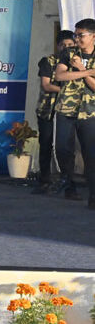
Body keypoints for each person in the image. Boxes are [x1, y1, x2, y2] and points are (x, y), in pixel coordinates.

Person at [53, 18, 95, 208]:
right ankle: (69, 185)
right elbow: (60, 75)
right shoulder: (69, 53)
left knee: (91, 154)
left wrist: (80, 68)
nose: (76, 39)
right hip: (66, 110)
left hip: (89, 113)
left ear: (93, 36)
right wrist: (88, 73)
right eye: (75, 35)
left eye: (81, 35)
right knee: (62, 148)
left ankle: (93, 195)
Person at [31, 30, 76, 194]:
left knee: (67, 147)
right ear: (57, 46)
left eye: (70, 45)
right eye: (63, 45)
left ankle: (69, 182)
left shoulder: (77, 63)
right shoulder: (48, 61)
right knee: (46, 144)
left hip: (69, 111)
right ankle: (44, 181)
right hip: (47, 110)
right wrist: (68, 91)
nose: (66, 48)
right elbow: (46, 85)